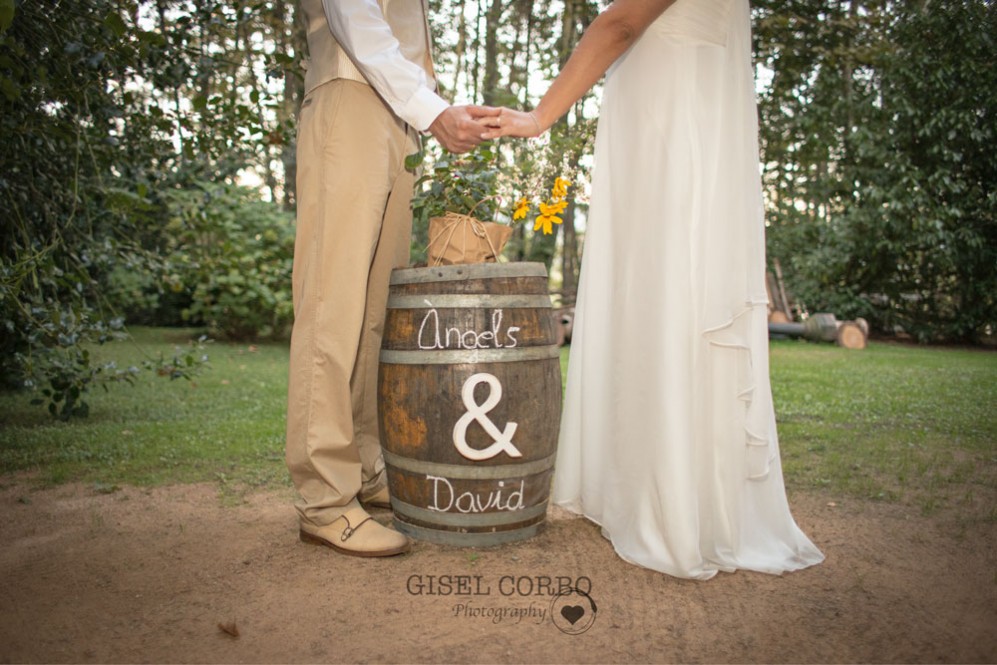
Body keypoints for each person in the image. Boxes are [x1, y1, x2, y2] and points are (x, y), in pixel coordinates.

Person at [482, 0, 824, 578]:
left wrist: (541, 116)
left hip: (670, 110)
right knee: (664, 290)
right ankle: (664, 491)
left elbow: (623, 22)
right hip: (677, 100)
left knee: (663, 285)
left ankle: (668, 501)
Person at [288, 0, 498, 557]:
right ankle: (325, 498)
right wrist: (433, 110)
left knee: (375, 311)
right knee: (332, 305)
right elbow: (354, 17)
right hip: (350, 96)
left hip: (397, 119)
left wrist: (423, 112)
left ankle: (362, 465)